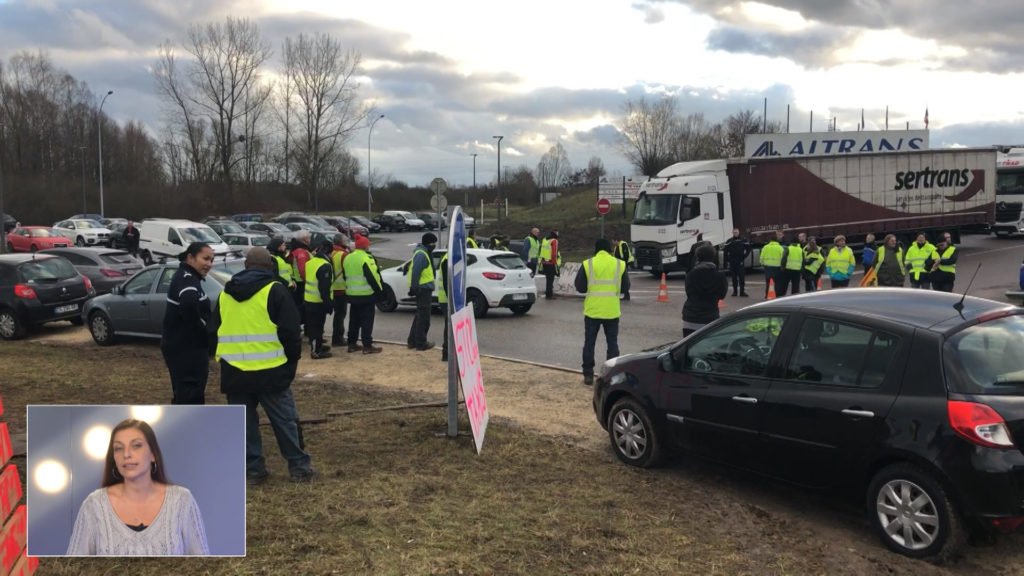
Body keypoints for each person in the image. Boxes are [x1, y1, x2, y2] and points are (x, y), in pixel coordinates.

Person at [212, 247, 315, 485]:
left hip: (235, 372)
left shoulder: (225, 294)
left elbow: (213, 330)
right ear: (270, 267)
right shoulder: (275, 290)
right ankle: (299, 467)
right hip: (271, 371)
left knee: (244, 425)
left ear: (245, 266)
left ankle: (253, 470)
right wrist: (291, 364)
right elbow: (291, 332)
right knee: (285, 421)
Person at [66, 419, 209, 555]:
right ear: (113, 457)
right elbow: (72, 567)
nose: (126, 454)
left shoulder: (181, 500)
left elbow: (204, 566)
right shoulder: (95, 505)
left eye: (136, 445)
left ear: (153, 454)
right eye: (118, 448)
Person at [162, 242, 213, 405]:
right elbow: (189, 304)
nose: (209, 264)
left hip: (183, 348)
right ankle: (190, 426)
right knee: (190, 395)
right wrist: (203, 334)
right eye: (205, 259)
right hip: (187, 350)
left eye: (211, 260)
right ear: (190, 258)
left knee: (186, 393)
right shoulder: (187, 279)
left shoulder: (190, 277)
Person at [575, 238, 630, 386]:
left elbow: (580, 287)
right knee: (612, 343)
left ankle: (588, 374)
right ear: (609, 249)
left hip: (592, 311)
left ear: (596, 249)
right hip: (612, 311)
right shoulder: (619, 264)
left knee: (589, 343)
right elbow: (625, 288)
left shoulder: (588, 264)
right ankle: (611, 375)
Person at [343, 235, 383, 354]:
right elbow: (373, 277)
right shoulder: (367, 258)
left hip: (351, 294)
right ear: (365, 246)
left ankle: (351, 343)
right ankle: (367, 345)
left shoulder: (348, 258)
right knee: (367, 321)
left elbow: (346, 275)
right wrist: (380, 292)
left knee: (354, 320)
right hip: (366, 295)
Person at [682, 244, 728, 337]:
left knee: (688, 345)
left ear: (698, 257)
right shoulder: (720, 276)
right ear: (713, 257)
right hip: (710, 315)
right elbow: (722, 295)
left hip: (690, 316)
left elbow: (689, 293)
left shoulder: (691, 275)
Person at [303, 239, 334, 359]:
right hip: (318, 302)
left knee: (313, 326)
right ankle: (316, 351)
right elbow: (324, 288)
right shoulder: (324, 266)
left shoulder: (311, 262)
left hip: (309, 299)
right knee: (317, 327)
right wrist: (328, 304)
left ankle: (317, 345)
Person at [406, 232, 437, 351]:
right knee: (423, 317)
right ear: (428, 243)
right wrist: (414, 288)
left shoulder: (424, 252)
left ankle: (412, 341)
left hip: (424, 288)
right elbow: (416, 272)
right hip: (423, 289)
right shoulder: (421, 254)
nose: (434, 245)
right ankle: (420, 342)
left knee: (420, 315)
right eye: (433, 243)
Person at [329, 234, 349, 348]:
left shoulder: (331, 252)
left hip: (331, 288)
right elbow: (347, 272)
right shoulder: (343, 254)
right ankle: (338, 339)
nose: (347, 241)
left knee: (337, 315)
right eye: (345, 240)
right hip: (341, 289)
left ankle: (336, 338)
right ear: (341, 241)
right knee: (340, 315)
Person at [288, 232, 313, 325]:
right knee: (303, 310)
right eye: (309, 238)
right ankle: (305, 332)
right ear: (304, 239)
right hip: (301, 283)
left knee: (300, 309)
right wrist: (308, 280)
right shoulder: (301, 251)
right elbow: (302, 269)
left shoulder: (297, 250)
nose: (310, 240)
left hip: (297, 282)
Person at [723, 228, 751, 297]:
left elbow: (748, 249)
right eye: (734, 232)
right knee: (734, 278)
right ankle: (735, 292)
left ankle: (742, 292)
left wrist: (744, 256)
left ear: (739, 232)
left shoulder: (743, 240)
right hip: (732, 262)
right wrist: (726, 261)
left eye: (736, 232)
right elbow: (725, 252)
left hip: (740, 261)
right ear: (732, 233)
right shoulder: (729, 241)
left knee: (742, 278)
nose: (735, 233)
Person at [759, 230, 785, 297]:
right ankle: (777, 294)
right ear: (777, 240)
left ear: (770, 240)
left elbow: (761, 257)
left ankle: (767, 294)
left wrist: (762, 264)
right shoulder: (780, 248)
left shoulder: (765, 247)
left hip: (767, 267)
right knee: (777, 282)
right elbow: (783, 257)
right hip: (777, 267)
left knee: (768, 282)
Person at [539, 230, 561, 299]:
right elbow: (554, 253)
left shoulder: (545, 240)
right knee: (550, 279)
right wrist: (555, 263)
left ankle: (548, 292)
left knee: (548, 279)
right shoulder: (554, 241)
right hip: (551, 262)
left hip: (544, 262)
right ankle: (549, 294)